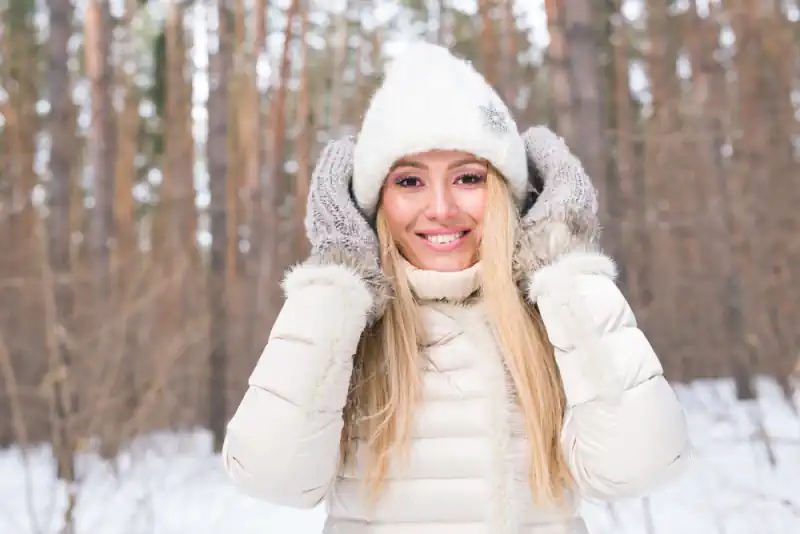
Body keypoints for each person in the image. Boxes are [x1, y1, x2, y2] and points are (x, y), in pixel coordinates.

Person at [222, 42, 690, 534]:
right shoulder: (347, 329)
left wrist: (565, 265)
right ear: (377, 202)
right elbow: (272, 476)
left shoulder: (552, 317)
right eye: (409, 182)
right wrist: (336, 283)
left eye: (468, 177)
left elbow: (643, 465)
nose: (441, 208)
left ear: (504, 193)